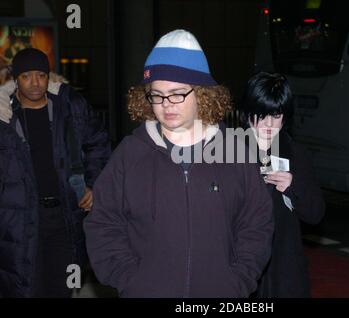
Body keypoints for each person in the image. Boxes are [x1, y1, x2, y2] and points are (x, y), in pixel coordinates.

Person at [83, 29, 274, 298]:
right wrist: (130, 279)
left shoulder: (235, 153)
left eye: (177, 94)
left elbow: (257, 223)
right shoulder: (130, 154)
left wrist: (238, 280)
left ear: (203, 94)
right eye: (156, 94)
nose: (165, 104)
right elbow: (103, 222)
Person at [0, 48, 111, 298]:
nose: (35, 82)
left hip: (65, 216)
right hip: (20, 220)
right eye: (26, 76)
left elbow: (98, 143)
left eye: (40, 75)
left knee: (62, 288)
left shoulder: (69, 106)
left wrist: (94, 185)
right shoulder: (4, 117)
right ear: (16, 79)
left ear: (48, 76)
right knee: (27, 288)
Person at [240, 72, 325, 297]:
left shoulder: (295, 153)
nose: (268, 124)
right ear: (248, 113)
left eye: (276, 116)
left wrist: (292, 186)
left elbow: (315, 214)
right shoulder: (230, 152)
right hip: (242, 264)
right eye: (262, 115)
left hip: (284, 266)